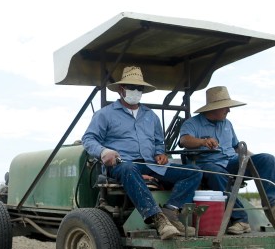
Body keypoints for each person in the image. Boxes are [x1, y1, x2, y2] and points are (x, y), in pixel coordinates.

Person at [82, 66, 202, 239]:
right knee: (129, 168)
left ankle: (171, 211)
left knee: (194, 173)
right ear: (121, 89)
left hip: (150, 164)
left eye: (140, 88)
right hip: (121, 165)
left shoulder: (150, 116)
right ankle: (157, 218)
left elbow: (158, 142)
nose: (136, 91)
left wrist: (160, 153)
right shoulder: (105, 114)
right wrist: (104, 151)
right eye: (132, 87)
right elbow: (89, 139)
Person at [178, 86, 275, 234]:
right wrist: (202, 142)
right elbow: (185, 141)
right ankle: (241, 219)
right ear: (214, 108)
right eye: (226, 108)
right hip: (208, 164)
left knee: (267, 159)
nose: (229, 110)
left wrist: (257, 160)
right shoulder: (192, 124)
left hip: (232, 162)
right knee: (216, 173)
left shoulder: (227, 124)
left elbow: (237, 147)